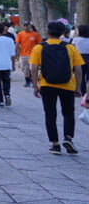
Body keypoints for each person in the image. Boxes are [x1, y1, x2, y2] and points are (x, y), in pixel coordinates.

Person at [30, 20, 84, 155]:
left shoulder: (39, 47)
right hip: (67, 85)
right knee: (68, 112)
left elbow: (34, 68)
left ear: (47, 32)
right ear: (62, 33)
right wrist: (77, 87)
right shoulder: (70, 48)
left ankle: (55, 144)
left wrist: (35, 85)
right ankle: (68, 137)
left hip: (47, 84)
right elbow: (78, 69)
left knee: (50, 114)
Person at [74, 25, 89, 97]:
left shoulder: (75, 39)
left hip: (79, 58)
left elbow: (72, 48)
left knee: (81, 75)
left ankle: (82, 92)